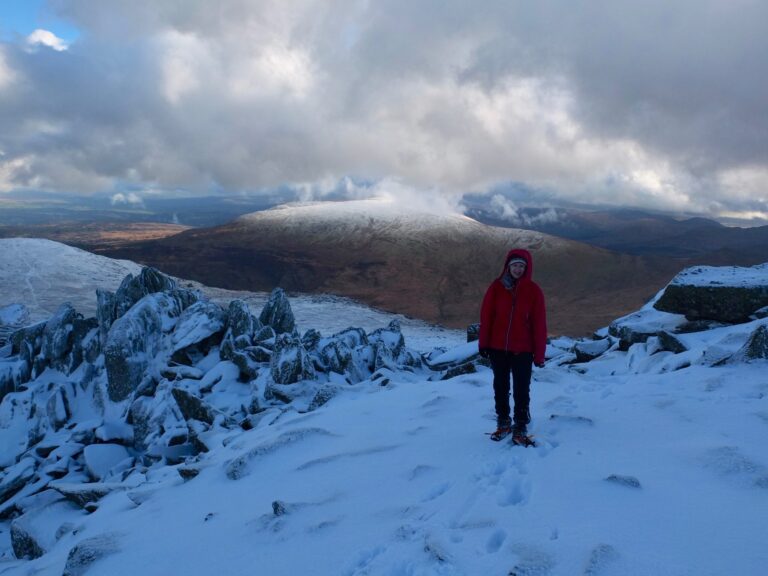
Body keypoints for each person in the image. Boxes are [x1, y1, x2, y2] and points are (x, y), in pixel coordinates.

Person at [478, 249, 547, 441]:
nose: (518, 269)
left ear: (527, 268)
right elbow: (487, 317)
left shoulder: (534, 291)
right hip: (497, 347)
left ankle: (521, 425)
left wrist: (539, 354)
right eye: (515, 265)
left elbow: (539, 324)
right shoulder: (496, 287)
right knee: (500, 386)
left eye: (521, 266)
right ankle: (503, 422)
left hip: (523, 349)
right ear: (508, 266)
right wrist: (484, 343)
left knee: (521, 388)